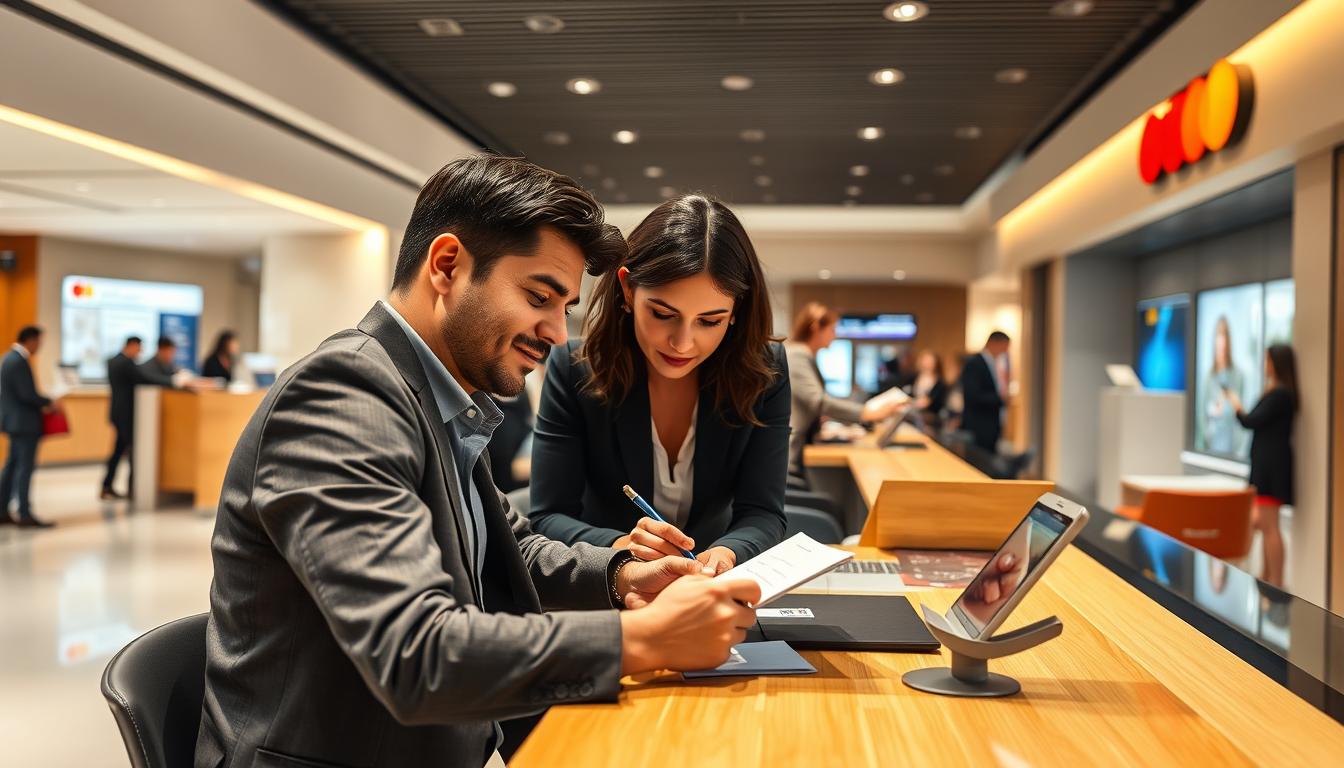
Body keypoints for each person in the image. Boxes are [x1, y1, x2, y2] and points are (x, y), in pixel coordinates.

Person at [196, 156, 761, 768]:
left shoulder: (434, 395)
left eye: (564, 307)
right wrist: (644, 638)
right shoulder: (342, 395)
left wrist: (620, 573)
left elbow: (506, 547)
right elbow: (416, 654)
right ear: (447, 266)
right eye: (538, 296)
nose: (553, 332)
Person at [529, 194, 789, 575]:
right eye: (663, 314)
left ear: (737, 312)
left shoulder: (765, 373)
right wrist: (621, 547)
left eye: (710, 321)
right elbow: (549, 515)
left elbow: (764, 512)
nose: (682, 343)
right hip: (609, 586)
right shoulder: (574, 368)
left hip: (710, 587)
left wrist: (727, 553)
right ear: (629, 290)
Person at [784, 302, 904, 480]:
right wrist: (866, 412)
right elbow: (818, 401)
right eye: (832, 330)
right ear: (816, 328)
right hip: (789, 459)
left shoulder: (801, 355)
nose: (835, 335)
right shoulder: (797, 355)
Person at [1224, 344, 1296, 587]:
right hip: (1267, 464)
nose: (1265, 365)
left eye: (1268, 360)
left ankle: (1275, 582)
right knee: (1262, 523)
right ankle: (1267, 580)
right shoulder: (1277, 393)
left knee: (1270, 526)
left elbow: (1250, 420)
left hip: (1271, 467)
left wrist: (1236, 405)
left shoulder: (1280, 395)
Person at [0, 325, 57, 528]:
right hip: (24, 424)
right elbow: (27, 395)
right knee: (24, 468)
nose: (40, 346)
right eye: (39, 342)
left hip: (15, 423)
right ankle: (24, 513)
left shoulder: (8, 358)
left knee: (12, 466)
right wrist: (48, 401)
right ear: (31, 340)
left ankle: (3, 510)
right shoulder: (18, 361)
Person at [101, 335, 142, 500]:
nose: (140, 352)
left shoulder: (112, 361)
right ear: (131, 345)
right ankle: (131, 488)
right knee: (129, 451)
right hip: (125, 414)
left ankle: (107, 485)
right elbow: (143, 378)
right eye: (139, 348)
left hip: (117, 412)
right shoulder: (126, 363)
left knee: (118, 451)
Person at [1199, 316, 1247, 456]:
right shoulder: (1209, 377)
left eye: (1224, 340)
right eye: (1218, 340)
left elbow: (1242, 415)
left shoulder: (1238, 376)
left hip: (1233, 448)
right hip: (1212, 446)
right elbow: (1202, 416)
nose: (1221, 346)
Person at [959, 331, 1011, 453]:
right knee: (980, 461)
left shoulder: (994, 363)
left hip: (991, 424)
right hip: (979, 425)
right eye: (1005, 346)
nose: (1005, 351)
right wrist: (1000, 399)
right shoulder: (975, 363)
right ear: (994, 343)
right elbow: (972, 395)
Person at [907, 350, 949, 423]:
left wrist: (928, 402)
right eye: (926, 361)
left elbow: (938, 402)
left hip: (931, 416)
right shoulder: (913, 378)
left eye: (930, 362)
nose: (927, 364)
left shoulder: (940, 383)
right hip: (912, 413)